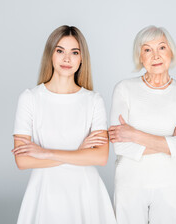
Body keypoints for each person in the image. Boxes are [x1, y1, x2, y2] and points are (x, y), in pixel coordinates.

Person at [12, 25, 117, 224]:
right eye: (60, 51)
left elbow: (101, 156)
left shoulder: (94, 100)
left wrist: (46, 152)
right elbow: (23, 161)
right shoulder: (30, 98)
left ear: (82, 58)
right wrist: (78, 152)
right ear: (50, 55)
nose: (67, 59)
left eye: (74, 52)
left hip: (85, 193)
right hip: (45, 193)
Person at [108, 25, 176, 224]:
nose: (155, 55)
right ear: (140, 56)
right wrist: (170, 141)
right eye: (147, 49)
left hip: (170, 182)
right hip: (130, 181)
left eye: (162, 48)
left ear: (171, 52)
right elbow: (120, 145)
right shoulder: (124, 89)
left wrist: (134, 134)